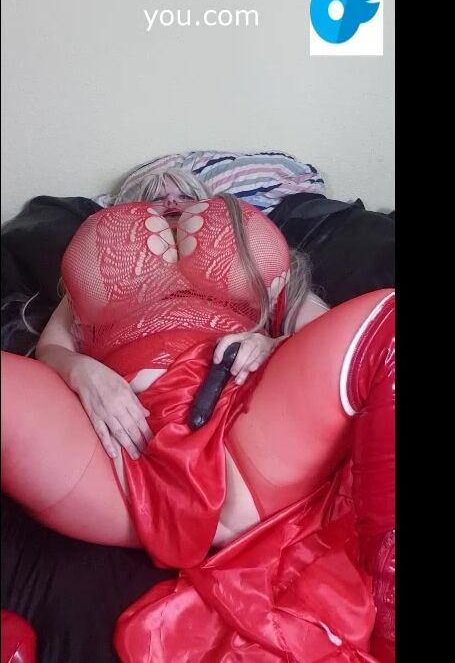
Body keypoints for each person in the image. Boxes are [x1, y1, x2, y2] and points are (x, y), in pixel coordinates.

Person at [1, 169, 394, 660]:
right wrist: (83, 373)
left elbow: (324, 335)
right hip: (118, 454)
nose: (170, 198)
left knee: (388, 321)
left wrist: (271, 344)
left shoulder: (266, 265)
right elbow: (51, 349)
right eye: (153, 195)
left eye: (185, 193)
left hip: (249, 442)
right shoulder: (90, 282)